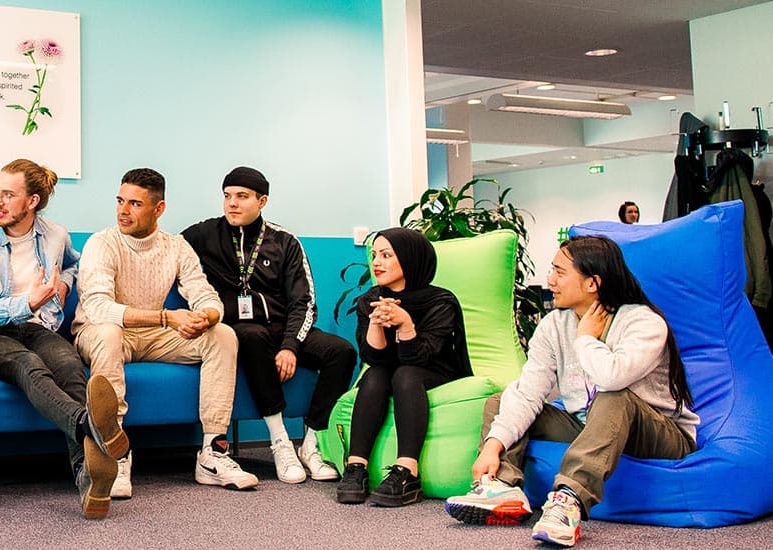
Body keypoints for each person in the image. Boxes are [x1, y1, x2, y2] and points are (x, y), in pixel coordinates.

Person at [445, 236, 696, 547]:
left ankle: (569, 501)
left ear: (592, 283)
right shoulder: (553, 325)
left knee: (614, 396)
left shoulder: (643, 322)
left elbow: (612, 378)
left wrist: (586, 339)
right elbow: (528, 392)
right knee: (503, 399)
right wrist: (493, 446)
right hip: (589, 422)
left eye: (559, 272)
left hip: (660, 433)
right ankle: (503, 489)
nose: (550, 280)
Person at [0, 158, 127, 520]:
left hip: (37, 326)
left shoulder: (55, 235)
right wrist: (25, 302)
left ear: (32, 201)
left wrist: (64, 282)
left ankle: (87, 476)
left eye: (8, 194)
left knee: (69, 366)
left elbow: (73, 263)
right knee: (29, 366)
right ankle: (89, 426)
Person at [73, 168, 246, 497]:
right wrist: (167, 317)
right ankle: (115, 453)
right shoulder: (102, 243)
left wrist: (207, 317)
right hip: (100, 332)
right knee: (109, 333)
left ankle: (213, 453)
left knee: (223, 335)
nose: (124, 211)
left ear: (159, 209)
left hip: (152, 336)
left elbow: (205, 294)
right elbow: (98, 308)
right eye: (120, 201)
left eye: (135, 204)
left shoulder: (176, 247)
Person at [182, 166, 357, 484]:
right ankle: (280, 441)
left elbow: (303, 302)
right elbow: (166, 252)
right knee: (249, 335)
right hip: (241, 332)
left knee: (341, 352)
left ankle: (313, 443)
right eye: (227, 196)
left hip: (282, 328)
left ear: (262, 201)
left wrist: (291, 346)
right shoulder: (203, 235)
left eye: (242, 196)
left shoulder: (285, 242)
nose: (232, 203)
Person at [336, 228, 472, 507]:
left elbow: (421, 356)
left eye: (386, 255)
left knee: (405, 374)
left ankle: (408, 471)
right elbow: (373, 358)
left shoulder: (441, 301)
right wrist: (376, 322)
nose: (376, 262)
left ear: (410, 259)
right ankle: (356, 466)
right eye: (374, 255)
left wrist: (405, 324)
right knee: (374, 375)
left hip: (434, 368)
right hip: (390, 367)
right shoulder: (369, 299)